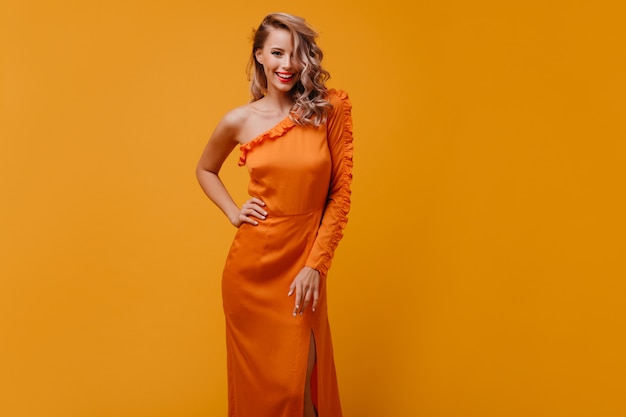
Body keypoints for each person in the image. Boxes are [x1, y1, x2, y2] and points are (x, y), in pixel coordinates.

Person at [196, 12, 353, 417]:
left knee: (300, 391)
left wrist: (315, 266)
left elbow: (340, 195)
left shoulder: (328, 110)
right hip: (251, 272)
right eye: (278, 53)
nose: (288, 64)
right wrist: (233, 212)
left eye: (296, 54)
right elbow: (205, 169)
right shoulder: (240, 120)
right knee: (262, 395)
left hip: (303, 265)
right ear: (260, 56)